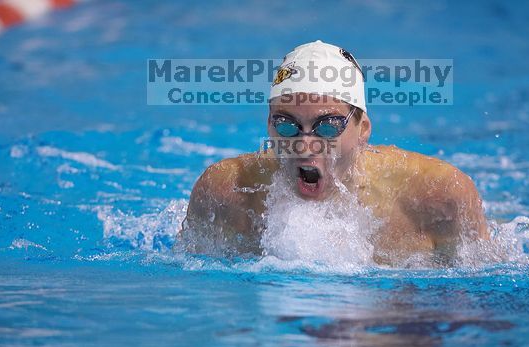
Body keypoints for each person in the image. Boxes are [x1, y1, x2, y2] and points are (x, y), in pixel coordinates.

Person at [179, 40, 488, 265]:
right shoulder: (224, 192)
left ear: (363, 129)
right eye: (287, 125)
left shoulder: (438, 197)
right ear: (269, 124)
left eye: (327, 126)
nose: (304, 145)